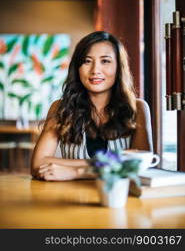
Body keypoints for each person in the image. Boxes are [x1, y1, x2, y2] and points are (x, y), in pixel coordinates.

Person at [31, 31, 153, 181]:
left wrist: (78, 172)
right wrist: (105, 164)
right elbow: (38, 164)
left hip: (120, 200)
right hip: (69, 199)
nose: (95, 70)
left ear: (119, 68)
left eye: (105, 61)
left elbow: (139, 166)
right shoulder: (60, 108)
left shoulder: (138, 108)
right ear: (77, 67)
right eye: (87, 61)